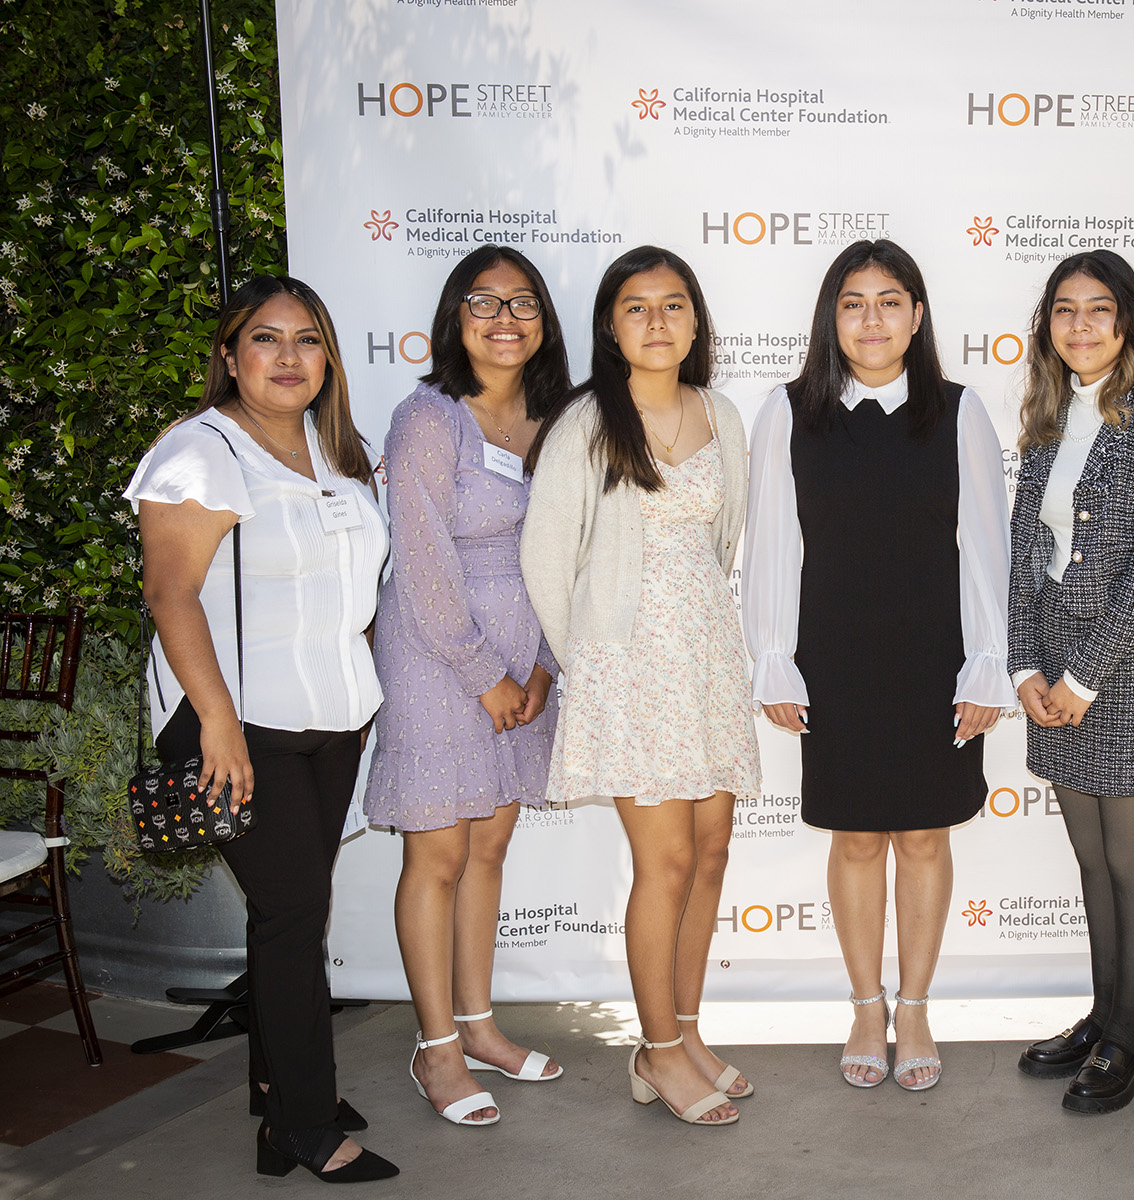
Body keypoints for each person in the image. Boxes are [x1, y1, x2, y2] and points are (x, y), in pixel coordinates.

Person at [128, 276, 398, 1181]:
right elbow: (171, 595)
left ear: (327, 358)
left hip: (332, 718)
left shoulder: (333, 453)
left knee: (295, 910)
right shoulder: (200, 453)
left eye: (308, 340)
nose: (289, 358)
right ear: (231, 355)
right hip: (238, 724)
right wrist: (217, 724)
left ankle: (281, 1089)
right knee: (291, 913)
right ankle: (304, 1129)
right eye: (266, 339)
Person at [741, 239, 1011, 1094]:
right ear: (832, 317)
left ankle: (919, 1005)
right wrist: (775, 660)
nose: (871, 319)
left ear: (918, 315)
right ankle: (865, 1004)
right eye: (853, 303)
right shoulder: (788, 412)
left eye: (890, 301)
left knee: (925, 833)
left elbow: (986, 551)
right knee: (856, 836)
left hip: (936, 656)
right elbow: (773, 546)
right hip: (835, 657)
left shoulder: (961, 412)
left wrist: (987, 664)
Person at [520, 246, 758, 1126]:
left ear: (695, 321)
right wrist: (592, 663)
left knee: (710, 856)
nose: (656, 322)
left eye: (672, 305)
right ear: (611, 326)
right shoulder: (587, 421)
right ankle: (656, 1053)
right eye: (635, 307)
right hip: (628, 666)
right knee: (661, 865)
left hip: (706, 659)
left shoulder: (721, 413)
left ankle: (685, 1033)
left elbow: (725, 540)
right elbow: (546, 558)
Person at [365, 245, 571, 1127]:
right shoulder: (428, 418)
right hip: (435, 653)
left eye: (522, 303)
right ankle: (437, 1047)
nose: (503, 319)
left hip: (527, 657)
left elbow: (572, 547)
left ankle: (481, 1026)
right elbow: (420, 559)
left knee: (489, 847)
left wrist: (539, 666)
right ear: (455, 317)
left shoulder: (560, 418)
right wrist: (486, 672)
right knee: (439, 854)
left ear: (543, 322)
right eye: (483, 303)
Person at [1008, 250, 1134, 1114]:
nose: (1079, 327)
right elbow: (1024, 558)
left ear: (1127, 321)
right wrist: (1026, 667)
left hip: (1133, 666)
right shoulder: (1048, 415)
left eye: (1097, 310)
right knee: (1090, 858)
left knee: (1131, 857)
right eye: (1063, 311)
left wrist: (1085, 676)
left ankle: (1128, 1039)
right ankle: (1100, 1016)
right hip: (1055, 669)